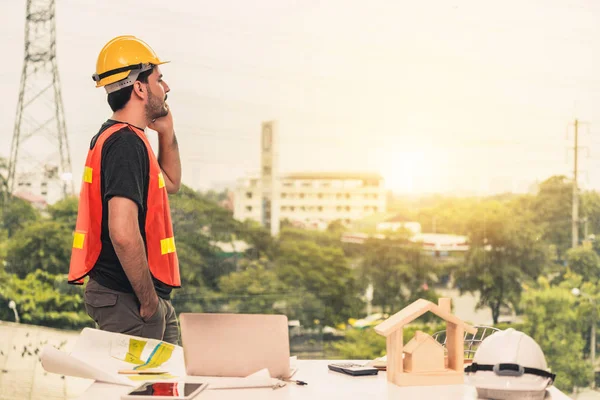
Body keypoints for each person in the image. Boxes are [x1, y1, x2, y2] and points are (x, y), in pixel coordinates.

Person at [68, 36, 182, 345]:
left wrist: (167, 131)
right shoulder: (124, 143)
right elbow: (122, 231)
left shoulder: (129, 138)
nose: (166, 88)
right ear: (140, 88)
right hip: (129, 298)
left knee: (166, 389)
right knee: (141, 391)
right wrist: (147, 301)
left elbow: (169, 182)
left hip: (142, 298)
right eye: (159, 79)